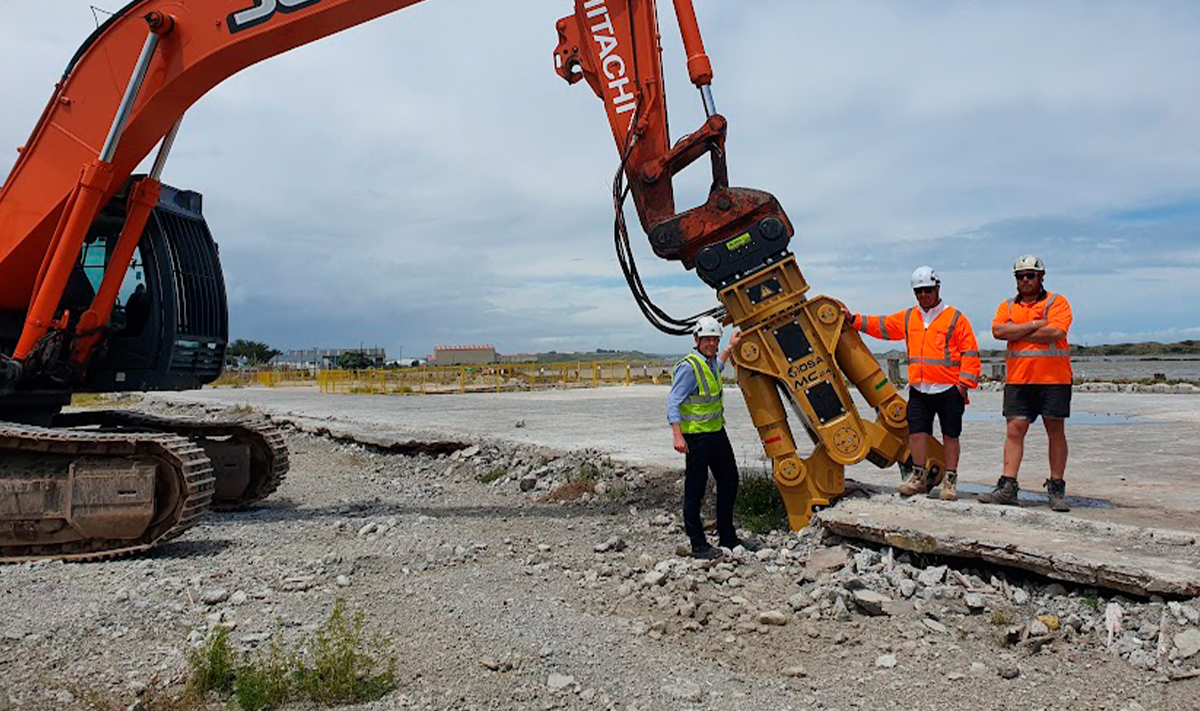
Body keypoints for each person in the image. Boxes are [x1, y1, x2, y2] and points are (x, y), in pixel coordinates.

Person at [841, 266, 982, 500]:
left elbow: (970, 352)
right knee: (917, 435)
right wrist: (853, 319)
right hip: (919, 389)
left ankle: (950, 481)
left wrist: (963, 386)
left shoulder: (955, 318)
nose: (923, 296)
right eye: (919, 292)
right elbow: (882, 325)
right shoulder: (909, 317)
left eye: (927, 290)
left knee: (950, 436)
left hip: (948, 389)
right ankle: (918, 477)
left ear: (937, 288)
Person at [982, 255, 1073, 511]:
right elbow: (998, 331)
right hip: (1019, 380)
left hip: (1053, 379)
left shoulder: (1058, 302)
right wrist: (1035, 325)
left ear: (1041, 277)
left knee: (1055, 432)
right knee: (1014, 431)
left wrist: (1017, 330)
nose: (1025, 280)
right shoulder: (1008, 305)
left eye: (1030, 275)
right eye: (1020, 276)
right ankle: (1007, 487)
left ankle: (1056, 489)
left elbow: (1056, 332)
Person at [668, 316, 755, 559]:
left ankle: (727, 536)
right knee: (695, 490)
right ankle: (698, 545)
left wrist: (730, 347)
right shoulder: (689, 366)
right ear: (696, 340)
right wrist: (678, 436)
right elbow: (673, 402)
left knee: (730, 480)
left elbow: (717, 367)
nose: (711, 343)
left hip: (717, 434)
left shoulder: (709, 363)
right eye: (707, 339)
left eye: (715, 340)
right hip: (696, 438)